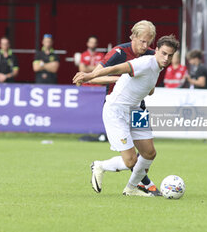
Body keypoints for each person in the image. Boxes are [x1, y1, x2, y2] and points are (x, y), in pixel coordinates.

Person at [73, 35, 180, 197]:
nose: (166, 58)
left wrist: (148, 88)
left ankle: (131, 189)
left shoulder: (158, 67)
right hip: (117, 110)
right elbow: (115, 69)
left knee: (149, 153)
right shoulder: (145, 62)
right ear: (156, 50)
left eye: (170, 55)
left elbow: (148, 88)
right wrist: (89, 76)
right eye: (163, 53)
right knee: (130, 161)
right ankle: (100, 166)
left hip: (136, 110)